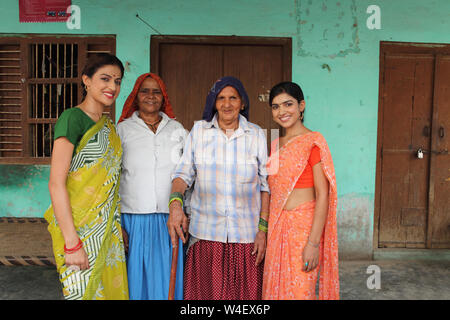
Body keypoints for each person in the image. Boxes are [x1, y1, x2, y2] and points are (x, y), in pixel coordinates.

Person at [167, 76, 270, 300]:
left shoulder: (257, 135)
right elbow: (182, 174)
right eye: (221, 98)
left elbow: (265, 185)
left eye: (233, 98)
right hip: (206, 235)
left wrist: (263, 230)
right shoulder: (199, 132)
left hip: (246, 237)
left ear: (242, 103)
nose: (227, 104)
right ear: (214, 102)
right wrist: (175, 205)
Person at [44, 53, 128, 300]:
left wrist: (116, 224)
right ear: (86, 81)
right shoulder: (72, 119)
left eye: (118, 81)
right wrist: (72, 243)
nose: (112, 87)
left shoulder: (109, 127)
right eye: (105, 79)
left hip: (108, 232)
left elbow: (110, 182)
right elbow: (56, 184)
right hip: (79, 231)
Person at [262, 81, 339, 300]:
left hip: (303, 230)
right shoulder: (276, 145)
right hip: (277, 229)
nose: (282, 111)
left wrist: (313, 243)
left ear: (301, 105)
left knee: (300, 291)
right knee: (273, 289)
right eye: (276, 107)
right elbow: (271, 189)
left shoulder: (313, 141)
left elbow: (323, 194)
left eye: (288, 104)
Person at [116, 73, 187, 300]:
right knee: (135, 282)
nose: (150, 96)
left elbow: (188, 174)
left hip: (169, 220)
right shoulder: (122, 131)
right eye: (145, 91)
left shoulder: (178, 130)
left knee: (166, 281)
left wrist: (187, 212)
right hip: (133, 220)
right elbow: (112, 179)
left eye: (156, 91)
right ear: (136, 97)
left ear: (163, 97)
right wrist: (116, 223)